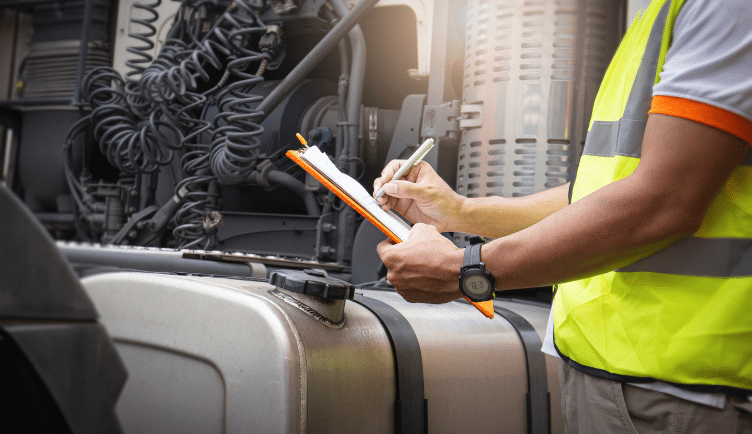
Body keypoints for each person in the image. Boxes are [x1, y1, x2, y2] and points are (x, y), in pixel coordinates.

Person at [373, 0, 752, 432]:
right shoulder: (665, 12)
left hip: (684, 390)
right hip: (611, 375)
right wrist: (460, 212)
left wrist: (462, 271)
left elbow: (666, 200)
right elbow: (599, 191)